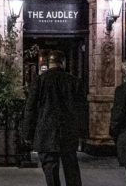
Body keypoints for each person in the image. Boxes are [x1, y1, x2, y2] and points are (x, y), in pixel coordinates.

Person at [22, 50, 88, 186]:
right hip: (68, 131)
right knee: (71, 168)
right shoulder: (74, 82)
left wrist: (27, 133)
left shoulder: (39, 81)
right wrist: (83, 132)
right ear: (63, 63)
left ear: (49, 63)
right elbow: (82, 109)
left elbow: (30, 108)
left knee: (50, 169)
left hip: (46, 131)